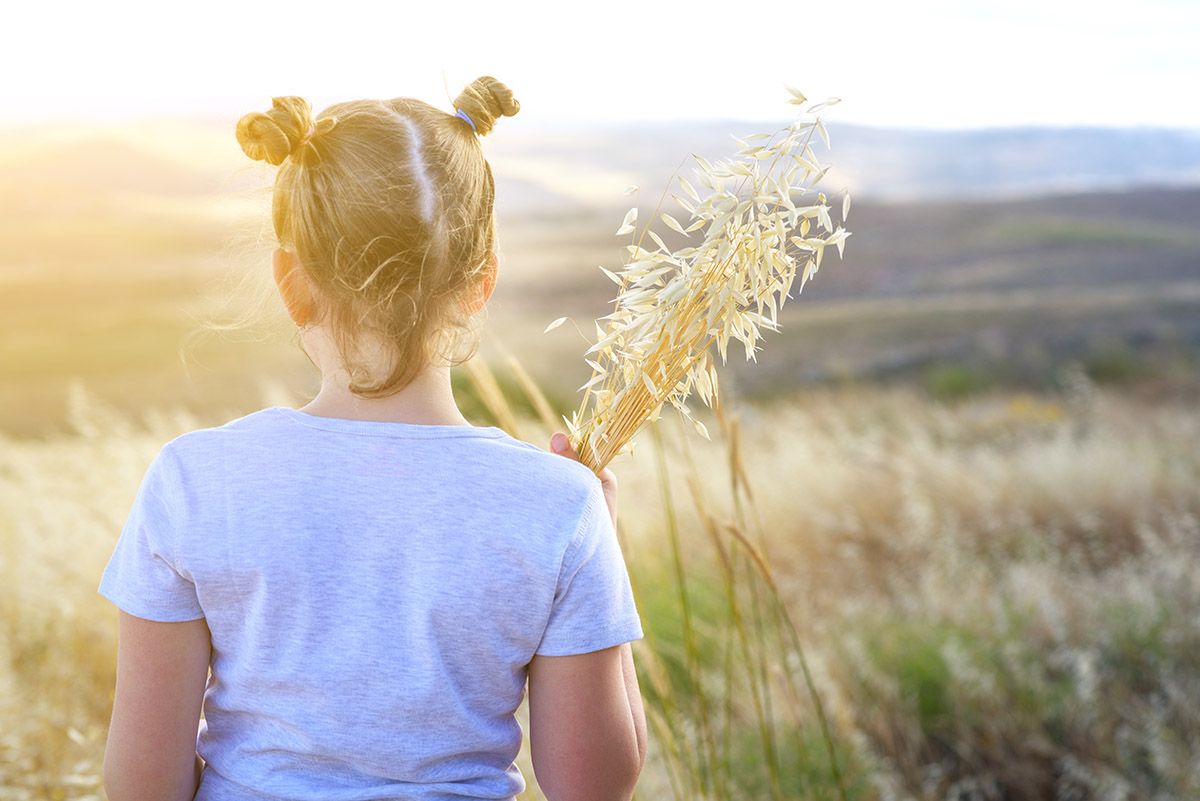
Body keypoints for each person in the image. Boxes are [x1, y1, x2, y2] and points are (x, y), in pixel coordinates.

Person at [97, 76, 647, 801]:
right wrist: (602, 542)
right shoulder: (559, 504)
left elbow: (141, 786)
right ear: (481, 283)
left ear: (291, 283)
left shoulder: (194, 479)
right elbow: (594, 787)